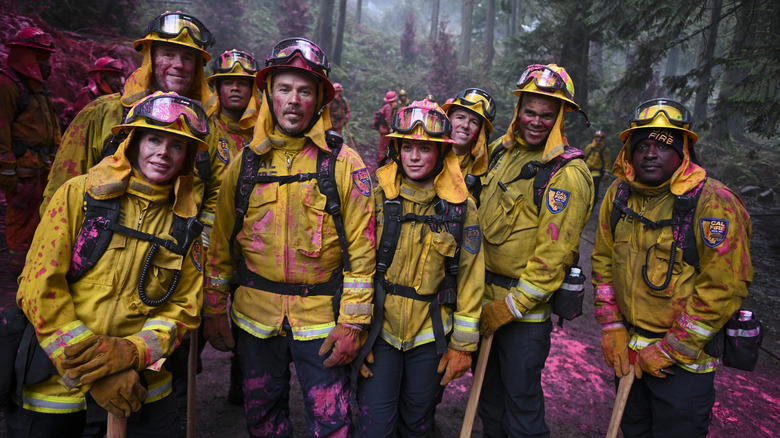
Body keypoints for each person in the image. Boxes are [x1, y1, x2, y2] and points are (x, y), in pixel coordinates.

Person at [202, 37, 376, 437]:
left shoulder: (345, 165)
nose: (294, 100)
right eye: (284, 89)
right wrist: (214, 310)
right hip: (254, 317)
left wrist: (353, 323)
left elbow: (363, 254)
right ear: (268, 96)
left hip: (322, 322)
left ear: (319, 100)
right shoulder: (243, 166)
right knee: (261, 417)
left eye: (304, 90)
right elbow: (220, 249)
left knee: (332, 421)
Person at [8, 91, 207, 438]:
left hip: (142, 388)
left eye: (177, 146)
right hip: (58, 389)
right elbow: (39, 288)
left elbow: (184, 308)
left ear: (188, 157)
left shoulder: (185, 222)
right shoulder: (78, 195)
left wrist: (132, 352)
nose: (163, 153)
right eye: (154, 140)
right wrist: (99, 373)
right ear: (132, 142)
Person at [591, 98, 752, 437]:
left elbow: (723, 288)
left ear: (683, 153)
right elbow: (603, 263)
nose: (651, 153)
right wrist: (611, 327)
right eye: (643, 145)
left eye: (663, 146)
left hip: (683, 368)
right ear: (629, 152)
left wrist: (670, 349)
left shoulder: (713, 202)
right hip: (630, 355)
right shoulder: (618, 195)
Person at [477, 63, 594, 437]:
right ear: (518, 110)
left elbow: (553, 256)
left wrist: (510, 307)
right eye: (529, 111)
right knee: (488, 400)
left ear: (561, 116)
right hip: (480, 300)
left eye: (547, 114)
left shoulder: (566, 174)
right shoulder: (500, 152)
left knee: (521, 406)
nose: (536, 121)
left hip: (521, 316)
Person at [355, 99, 483, 436]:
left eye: (425, 148)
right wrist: (354, 328)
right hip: (379, 333)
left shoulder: (461, 209)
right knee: (374, 426)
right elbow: (355, 263)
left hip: (431, 337)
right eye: (407, 146)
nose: (414, 156)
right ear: (396, 148)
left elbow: (471, 277)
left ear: (442, 153)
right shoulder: (377, 196)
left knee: (417, 422)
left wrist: (463, 346)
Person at [41, 10, 217, 215]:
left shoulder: (205, 126)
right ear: (150, 59)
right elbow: (61, 189)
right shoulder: (102, 113)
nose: (179, 65)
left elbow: (215, 189)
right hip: (101, 242)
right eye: (168, 54)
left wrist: (204, 234)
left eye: (187, 58)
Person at [202, 48, 261, 405]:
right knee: (198, 311)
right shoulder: (202, 127)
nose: (236, 89)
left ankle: (241, 383)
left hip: (252, 239)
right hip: (205, 239)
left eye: (243, 83)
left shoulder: (262, 132)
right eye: (229, 83)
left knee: (247, 315)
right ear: (217, 87)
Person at [0, 27, 61, 276]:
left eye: (47, 57)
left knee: (41, 216)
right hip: (22, 168)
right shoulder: (7, 85)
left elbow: (51, 125)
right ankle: (19, 271)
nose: (47, 64)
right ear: (26, 56)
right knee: (22, 219)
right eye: (41, 57)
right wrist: (6, 169)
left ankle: (35, 265)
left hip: (41, 165)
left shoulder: (36, 88)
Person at [441, 87, 496, 194]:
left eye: (474, 122)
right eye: (460, 117)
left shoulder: (484, 170)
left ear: (481, 132)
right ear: (448, 120)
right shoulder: (427, 158)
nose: (465, 125)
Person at [582, 129, 610, 202]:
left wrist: (606, 173)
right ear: (594, 138)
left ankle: (592, 204)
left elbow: (607, 162)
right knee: (584, 188)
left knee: (594, 190)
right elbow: (584, 158)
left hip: (597, 174)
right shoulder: (589, 147)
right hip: (586, 172)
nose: (599, 139)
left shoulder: (605, 150)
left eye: (601, 138)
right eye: (597, 137)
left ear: (603, 139)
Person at [376, 90, 397, 165]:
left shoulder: (388, 105)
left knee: (384, 145)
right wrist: (390, 128)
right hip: (385, 130)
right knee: (383, 146)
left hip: (384, 129)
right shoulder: (388, 107)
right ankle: (381, 161)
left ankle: (382, 159)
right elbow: (388, 119)